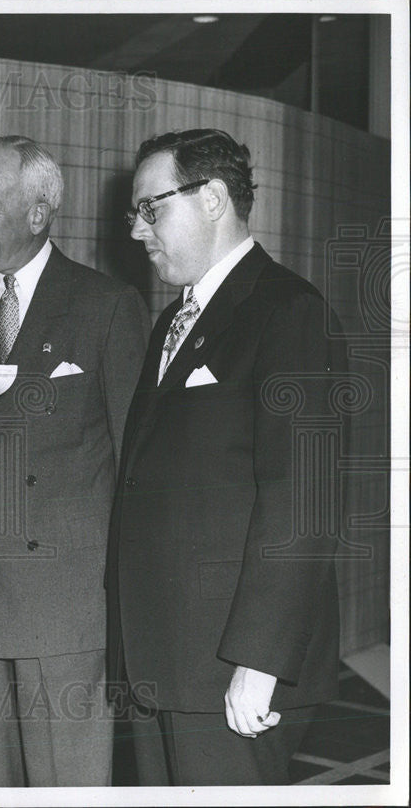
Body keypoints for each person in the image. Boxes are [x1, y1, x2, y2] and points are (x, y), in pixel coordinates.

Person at [0, 136, 150, 786]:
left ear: (38, 214)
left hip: (66, 609)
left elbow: (139, 470)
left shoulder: (108, 307)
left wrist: (136, 607)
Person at [106, 128, 346, 785]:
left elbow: (303, 498)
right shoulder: (171, 323)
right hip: (166, 660)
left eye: (150, 208)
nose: (135, 230)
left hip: (231, 671)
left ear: (211, 197)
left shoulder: (288, 311)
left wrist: (260, 662)